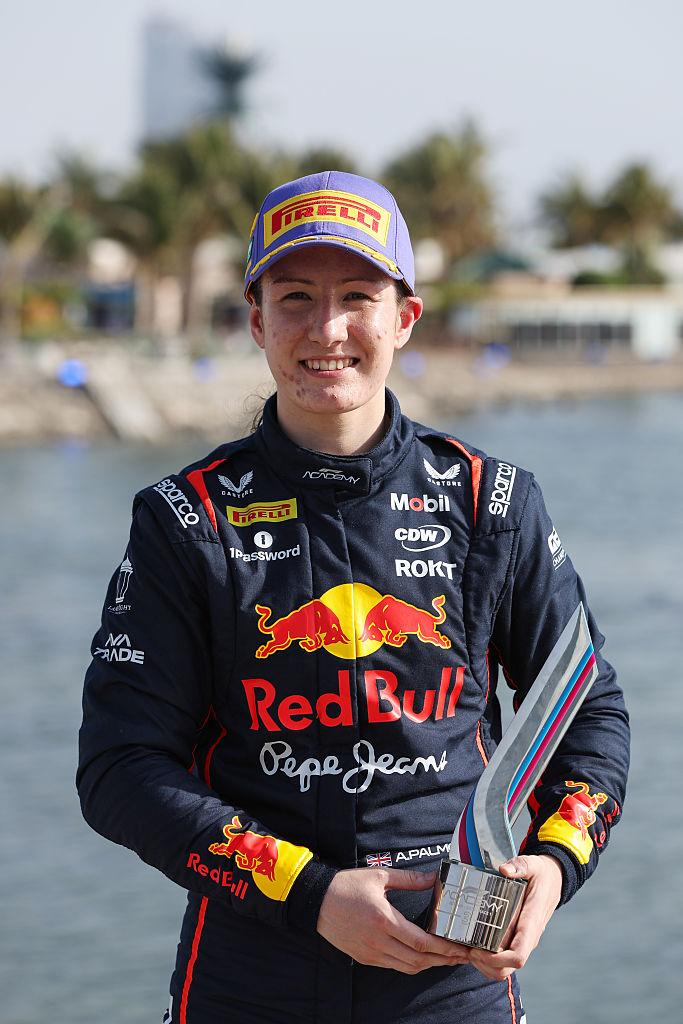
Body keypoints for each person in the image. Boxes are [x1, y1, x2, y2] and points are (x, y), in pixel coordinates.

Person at [77, 171, 629, 1024]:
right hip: (250, 976)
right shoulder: (185, 519)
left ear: (403, 318)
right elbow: (119, 768)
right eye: (295, 297)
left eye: (358, 297)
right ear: (256, 320)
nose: (326, 328)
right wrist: (311, 894)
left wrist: (554, 865)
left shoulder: (491, 502)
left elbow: (585, 709)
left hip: (455, 979)